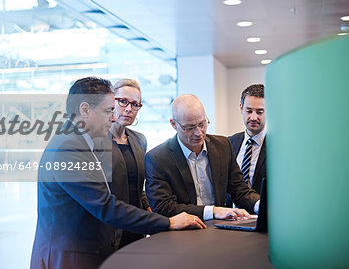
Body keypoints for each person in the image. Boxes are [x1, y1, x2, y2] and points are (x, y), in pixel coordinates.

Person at [30, 77, 205, 269]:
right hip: (67, 256)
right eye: (108, 110)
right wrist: (168, 223)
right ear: (85, 109)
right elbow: (105, 206)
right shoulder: (69, 148)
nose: (113, 118)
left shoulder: (78, 142)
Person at [145, 94, 260, 222]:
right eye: (189, 128)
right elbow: (163, 207)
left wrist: (260, 205)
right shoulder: (157, 158)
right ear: (173, 124)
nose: (198, 133)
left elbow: (239, 190)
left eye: (202, 124)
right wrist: (213, 211)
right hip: (181, 233)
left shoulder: (222, 146)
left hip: (220, 229)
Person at [109, 79, 151, 248]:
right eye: (123, 102)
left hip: (137, 226)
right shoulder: (95, 141)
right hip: (109, 228)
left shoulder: (139, 140)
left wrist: (153, 215)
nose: (129, 109)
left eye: (135, 104)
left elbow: (138, 187)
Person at [229, 84, 266, 195]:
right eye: (249, 111)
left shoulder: (278, 146)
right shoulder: (230, 143)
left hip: (262, 211)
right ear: (241, 108)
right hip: (232, 211)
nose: (254, 117)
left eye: (260, 112)